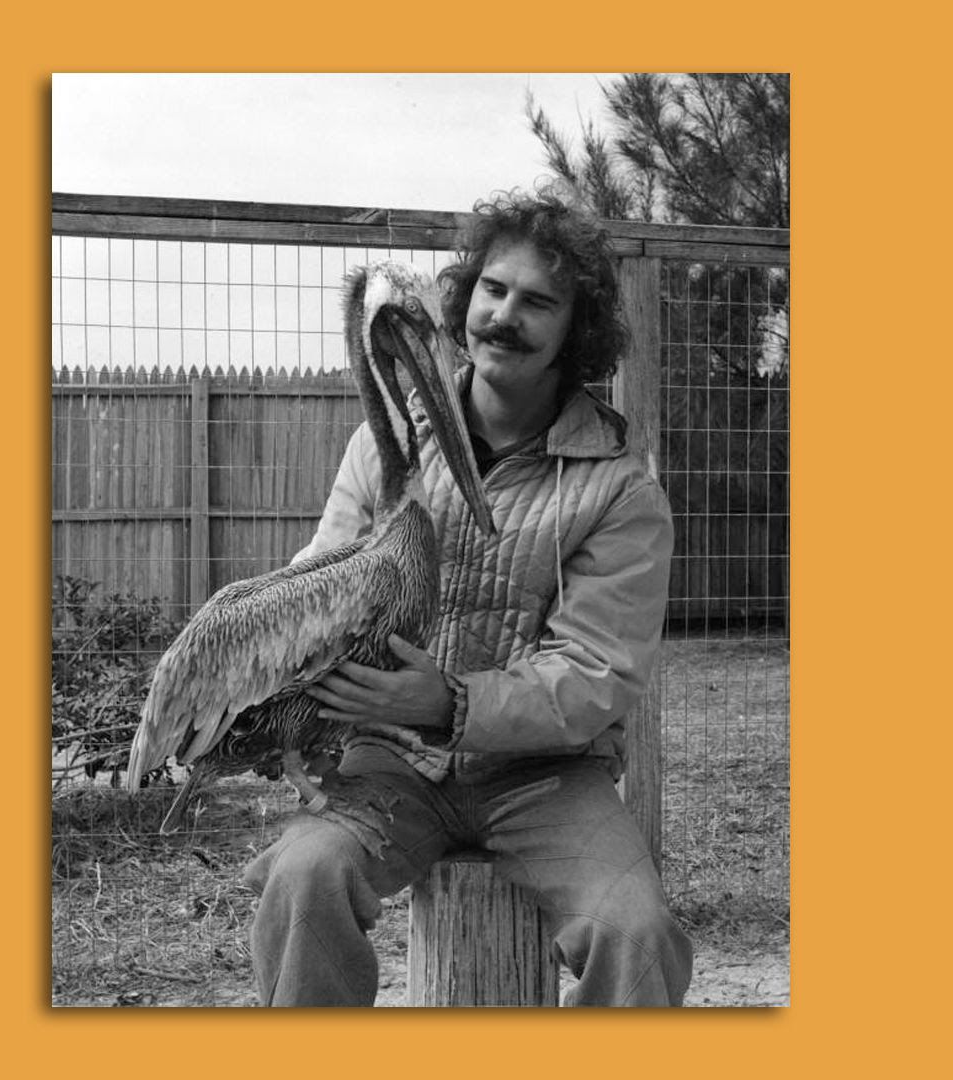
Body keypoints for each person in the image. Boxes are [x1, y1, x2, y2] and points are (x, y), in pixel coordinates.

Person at [240, 188, 691, 1007]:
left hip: (547, 777)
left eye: (538, 302)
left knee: (638, 933)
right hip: (384, 763)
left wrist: (448, 700)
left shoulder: (620, 488)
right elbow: (322, 582)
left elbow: (596, 675)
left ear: (574, 331)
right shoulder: (387, 443)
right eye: (494, 289)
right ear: (466, 296)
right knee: (305, 878)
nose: (505, 316)